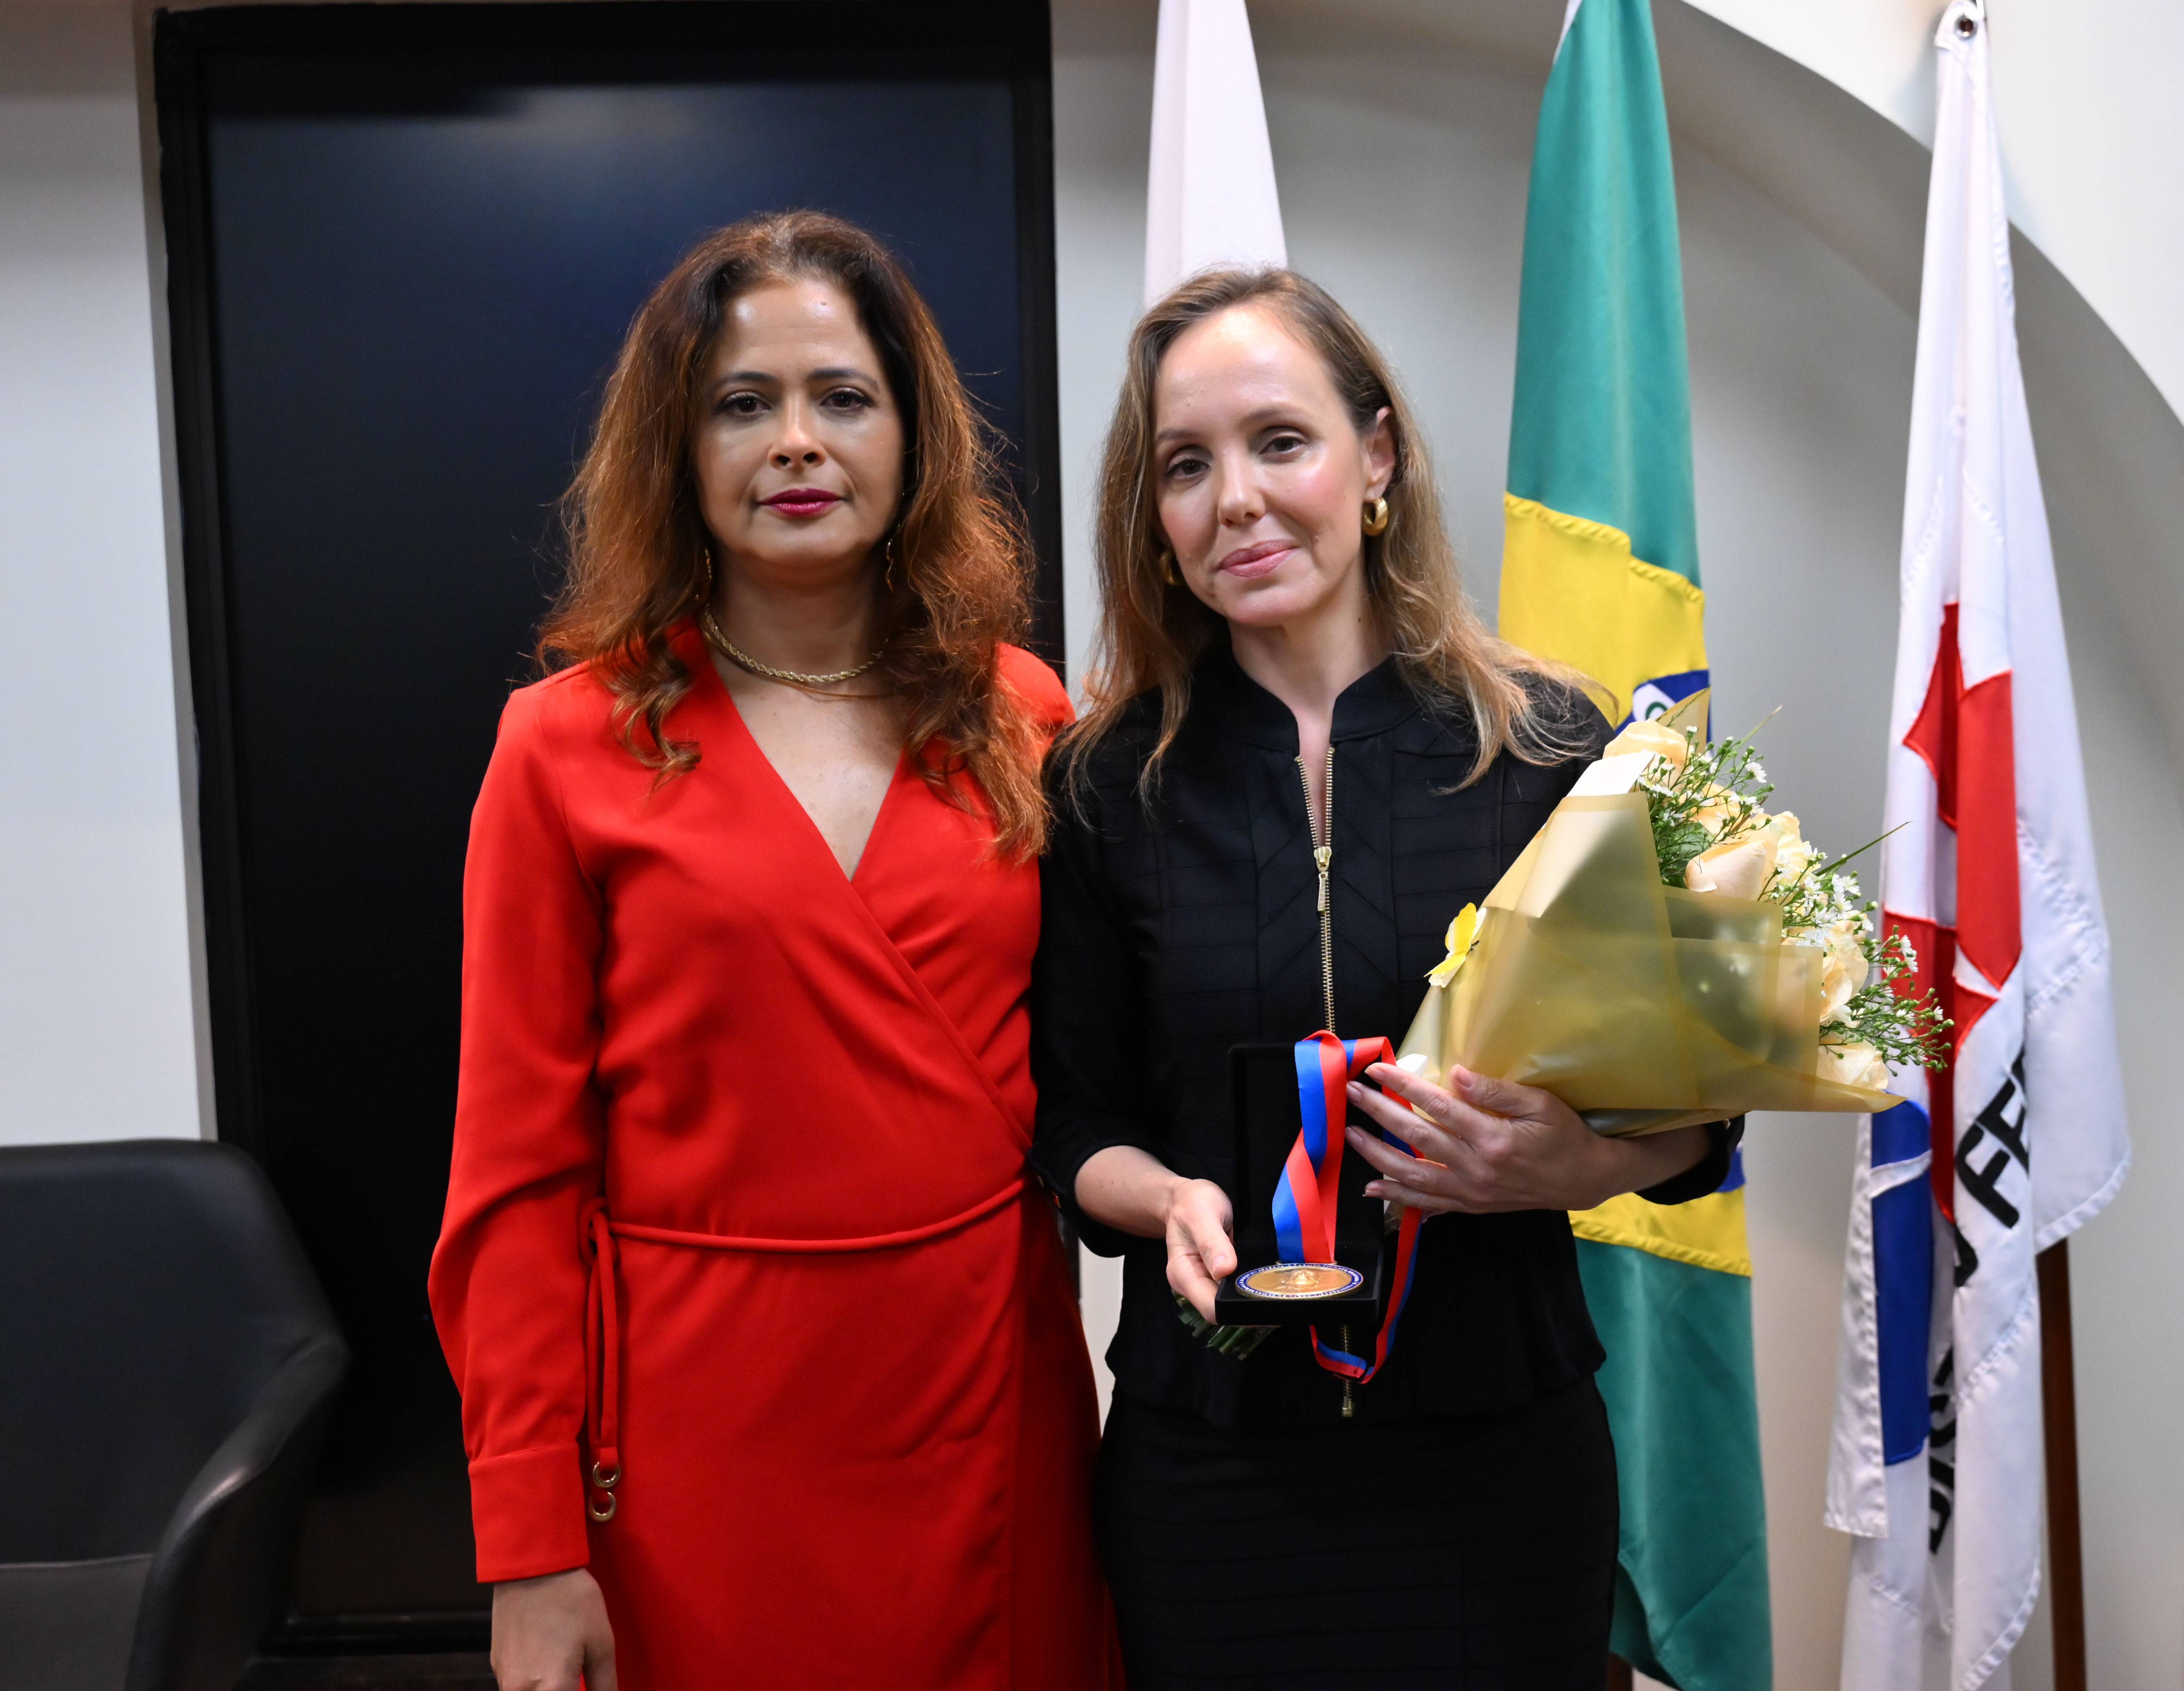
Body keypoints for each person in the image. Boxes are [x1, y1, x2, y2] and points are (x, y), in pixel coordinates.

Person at [1030, 268, 1746, 1691]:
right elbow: (1075, 1129)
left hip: (1498, 1452)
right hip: (1213, 1468)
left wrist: (1571, 1163)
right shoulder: (1104, 784)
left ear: (1378, 458)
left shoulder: (1548, 743)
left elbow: (1696, 1122)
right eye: (1187, 465)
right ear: (1155, 518)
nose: (1235, 498)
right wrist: (1164, 1196)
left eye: (1279, 441)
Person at [430, 212, 1115, 1691]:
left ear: (912, 434)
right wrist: (530, 1546)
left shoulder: (1025, 716)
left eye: (842, 397)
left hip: (987, 1395)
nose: (795, 442)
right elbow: (515, 1182)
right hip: (702, 1440)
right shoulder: (560, 750)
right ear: (677, 448)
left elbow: (1113, 1067)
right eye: (745, 404)